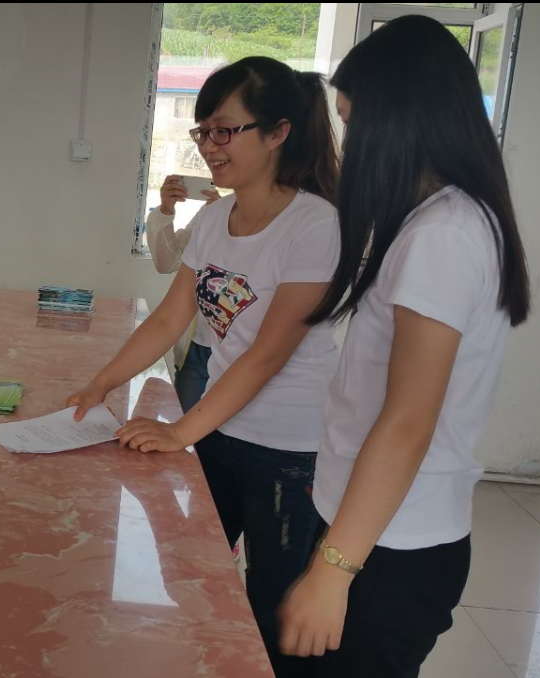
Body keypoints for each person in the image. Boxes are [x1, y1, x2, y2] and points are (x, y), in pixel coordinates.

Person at [68, 56, 341, 674]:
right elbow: (170, 319)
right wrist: (100, 384)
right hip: (219, 430)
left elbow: (268, 354)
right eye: (203, 131)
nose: (210, 146)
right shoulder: (216, 217)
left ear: (278, 132)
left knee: (274, 603)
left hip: (288, 451)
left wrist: (179, 431)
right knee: (191, 572)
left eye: (225, 131)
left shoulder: (315, 225)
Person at [277, 16, 531, 677]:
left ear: (399, 122)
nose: (350, 143)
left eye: (353, 122)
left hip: (388, 547)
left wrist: (332, 572)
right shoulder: (442, 220)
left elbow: (407, 421)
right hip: (372, 529)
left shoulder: (442, 235)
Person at [146, 177, 219, 412]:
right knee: (184, 419)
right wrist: (165, 211)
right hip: (196, 346)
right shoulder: (213, 212)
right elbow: (168, 261)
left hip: (240, 351)